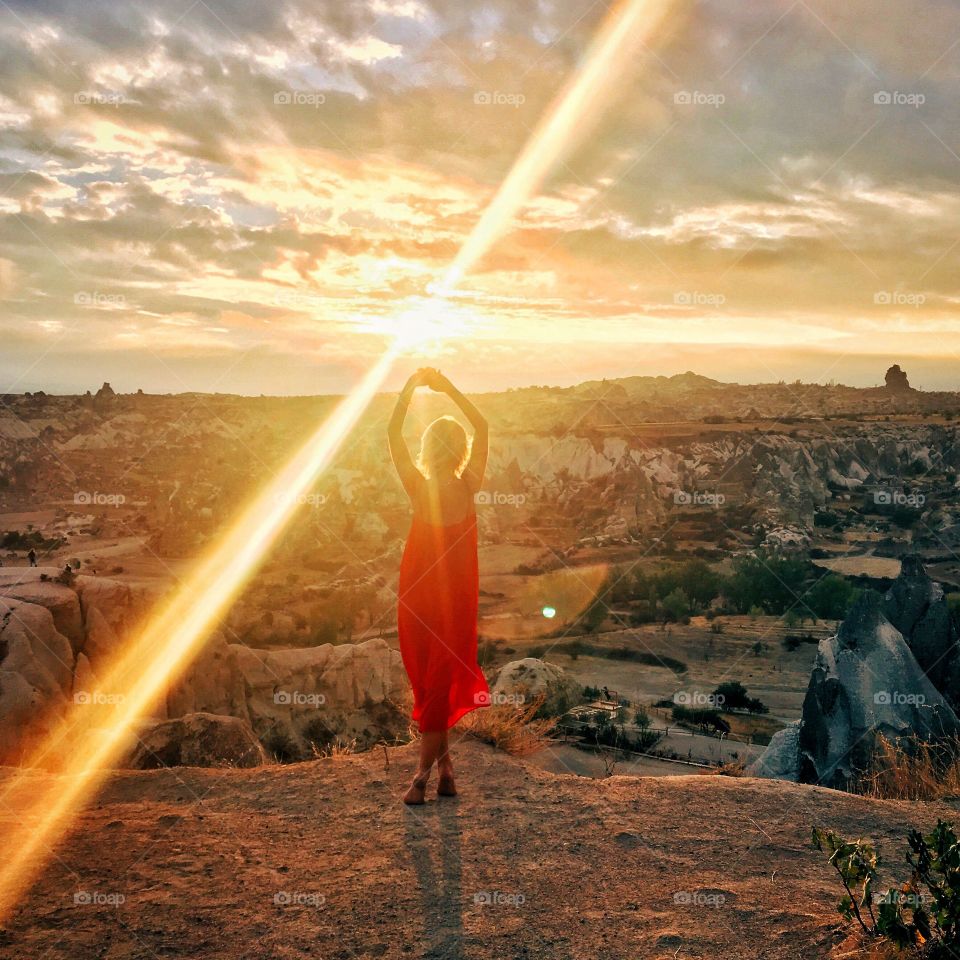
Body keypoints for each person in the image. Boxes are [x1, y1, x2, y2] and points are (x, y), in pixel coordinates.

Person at [389, 367, 490, 805]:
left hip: (418, 596)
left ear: (427, 450)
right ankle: (445, 770)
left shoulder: (416, 486)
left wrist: (412, 387)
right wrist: (449, 388)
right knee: (438, 680)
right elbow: (483, 424)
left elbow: (393, 429)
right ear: (461, 451)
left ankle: (421, 778)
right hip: (455, 602)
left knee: (430, 684)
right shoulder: (470, 485)